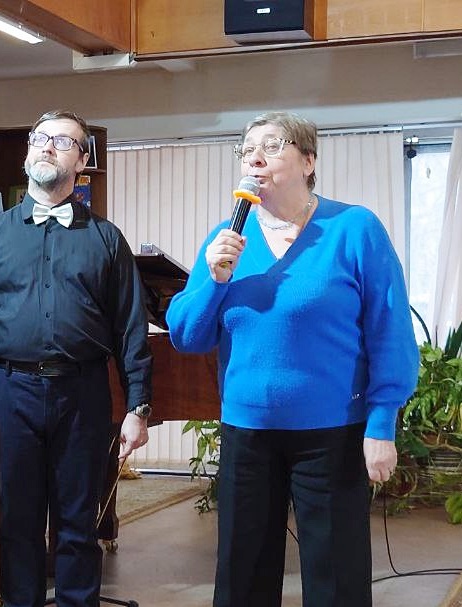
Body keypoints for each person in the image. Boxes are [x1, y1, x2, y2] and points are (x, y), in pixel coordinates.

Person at [166, 111, 420, 606]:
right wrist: (215, 281)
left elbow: (389, 332)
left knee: (337, 579)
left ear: (308, 161)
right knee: (242, 578)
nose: (254, 157)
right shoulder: (226, 238)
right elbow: (188, 337)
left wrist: (382, 423)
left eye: (272, 145)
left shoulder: (353, 229)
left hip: (332, 435)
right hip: (247, 435)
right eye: (246, 149)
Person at [0, 109, 153, 607]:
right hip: (8, 392)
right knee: (17, 522)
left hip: (82, 393)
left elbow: (130, 328)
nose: (48, 146)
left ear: (83, 161)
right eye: (41, 138)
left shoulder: (107, 240)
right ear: (28, 149)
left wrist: (138, 406)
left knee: (77, 523)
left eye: (64, 141)